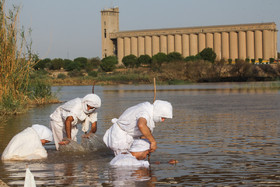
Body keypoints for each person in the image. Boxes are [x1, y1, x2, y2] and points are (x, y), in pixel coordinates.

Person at [103, 100, 172, 155]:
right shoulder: (145, 112)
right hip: (120, 137)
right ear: (158, 113)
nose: (163, 120)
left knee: (130, 158)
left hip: (128, 135)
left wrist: (147, 145)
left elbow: (143, 132)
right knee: (123, 161)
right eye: (162, 118)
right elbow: (141, 125)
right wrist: (153, 142)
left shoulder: (147, 109)